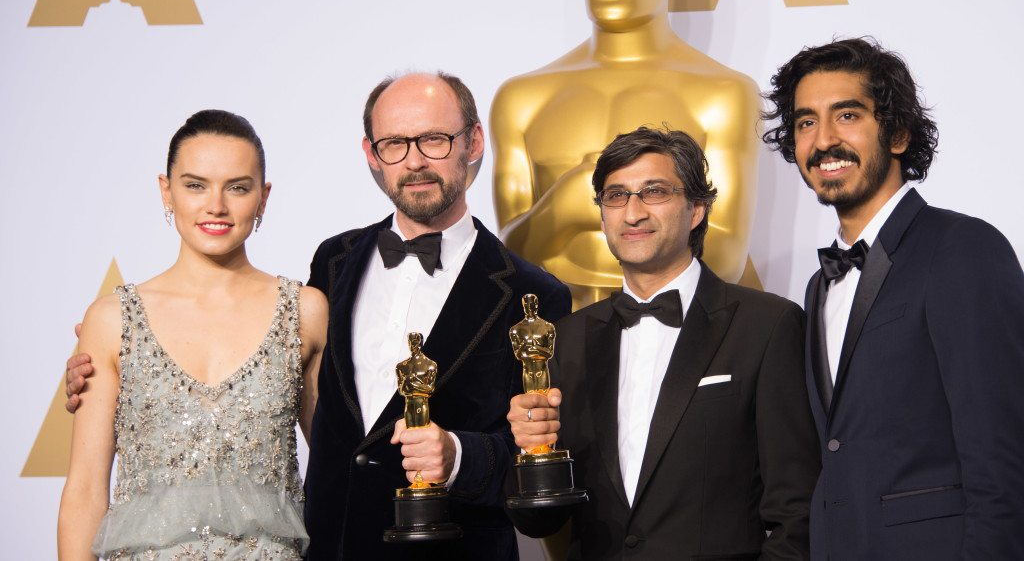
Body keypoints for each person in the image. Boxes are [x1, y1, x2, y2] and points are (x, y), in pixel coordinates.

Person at [67, 73, 571, 559]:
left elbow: (544, 476)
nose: (414, 161)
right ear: (371, 154)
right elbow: (330, 425)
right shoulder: (333, 263)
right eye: (394, 143)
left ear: (474, 141)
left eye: (435, 139)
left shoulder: (534, 297)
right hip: (331, 547)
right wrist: (124, 358)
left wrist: (459, 456)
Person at [762, 37, 1024, 559]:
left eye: (848, 115)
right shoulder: (818, 287)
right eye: (806, 122)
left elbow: (1002, 456)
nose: (824, 140)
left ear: (898, 133)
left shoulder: (962, 249)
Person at [507, 127, 819, 560]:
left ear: (696, 209)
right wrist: (530, 450)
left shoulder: (767, 325)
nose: (632, 213)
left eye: (653, 192)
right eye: (616, 196)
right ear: (602, 217)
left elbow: (798, 510)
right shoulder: (566, 340)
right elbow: (539, 521)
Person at [57, 110, 328, 560]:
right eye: (195, 185)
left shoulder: (305, 312)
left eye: (238, 188)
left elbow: (339, 465)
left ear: (263, 198)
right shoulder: (112, 320)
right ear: (167, 191)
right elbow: (84, 491)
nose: (216, 206)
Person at [491, 0, 763, 308]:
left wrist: (567, 220)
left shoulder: (723, 93)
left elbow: (726, 255)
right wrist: (563, 209)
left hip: (691, 338)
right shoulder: (522, 99)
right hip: (557, 346)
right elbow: (507, 258)